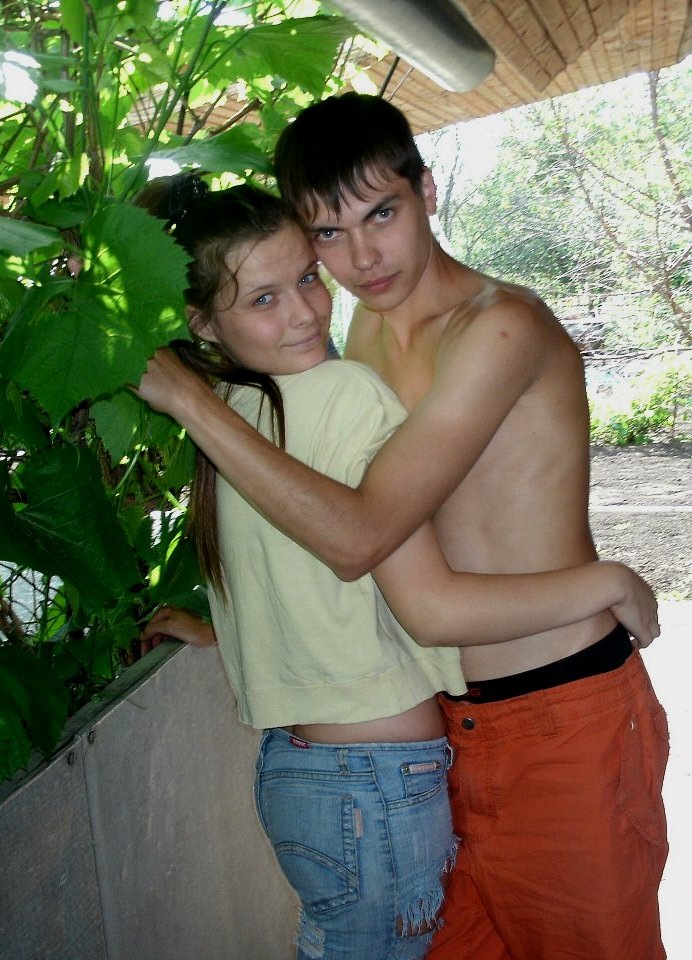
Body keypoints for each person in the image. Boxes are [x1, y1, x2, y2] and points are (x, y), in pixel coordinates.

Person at [134, 180, 658, 960]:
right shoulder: (342, 392)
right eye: (265, 299)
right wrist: (608, 581)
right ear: (202, 323)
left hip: (299, 775)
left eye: (307, 279)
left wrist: (219, 630)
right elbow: (425, 604)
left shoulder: (236, 420)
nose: (306, 313)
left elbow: (293, 577)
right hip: (377, 782)